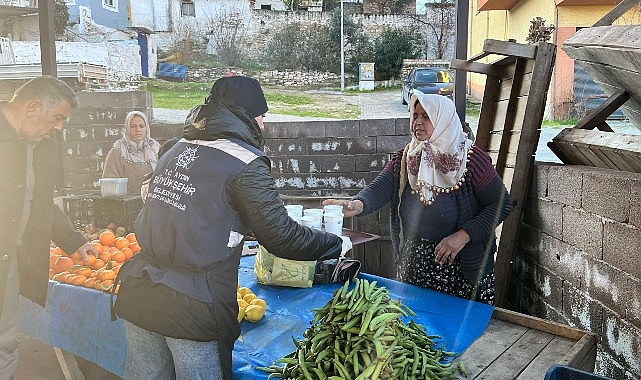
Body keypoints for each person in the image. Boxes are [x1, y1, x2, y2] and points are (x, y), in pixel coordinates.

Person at [112, 75, 352, 380]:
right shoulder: (244, 161)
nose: (263, 125)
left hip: (140, 293)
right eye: (261, 115)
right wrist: (335, 243)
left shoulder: (177, 147)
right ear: (245, 115)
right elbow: (281, 237)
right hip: (191, 306)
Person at [324, 93, 513, 305]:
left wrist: (464, 235)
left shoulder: (469, 158)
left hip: (462, 265)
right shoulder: (407, 156)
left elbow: (501, 203)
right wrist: (356, 205)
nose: (418, 122)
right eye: (415, 115)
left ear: (443, 119)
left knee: (462, 329)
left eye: (426, 116)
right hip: (417, 262)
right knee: (417, 325)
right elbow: (380, 188)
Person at [0, 76, 97, 379]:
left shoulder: (39, 146)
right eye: (58, 118)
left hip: (11, 262)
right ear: (33, 107)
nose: (59, 128)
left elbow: (40, 202)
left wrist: (74, 240)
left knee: (5, 344)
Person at [102, 110, 161, 194]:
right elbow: (110, 183)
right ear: (127, 128)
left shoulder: (155, 148)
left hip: (152, 201)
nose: (138, 130)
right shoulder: (118, 152)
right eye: (133, 126)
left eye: (141, 126)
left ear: (146, 128)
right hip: (127, 203)